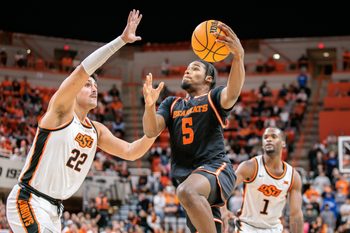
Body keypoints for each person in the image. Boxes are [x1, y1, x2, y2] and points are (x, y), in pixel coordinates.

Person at [6, 9, 159, 233]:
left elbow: (131, 151)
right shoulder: (59, 113)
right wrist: (121, 41)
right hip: (28, 200)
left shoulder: (96, 130)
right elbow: (81, 71)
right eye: (88, 85)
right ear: (75, 90)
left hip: (54, 210)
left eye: (95, 86)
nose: (93, 89)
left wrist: (154, 120)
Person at [142, 22, 245, 233]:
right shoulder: (171, 103)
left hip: (216, 169)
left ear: (208, 78)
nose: (188, 71)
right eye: (187, 69)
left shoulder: (213, 97)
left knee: (186, 192)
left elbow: (232, 92)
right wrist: (150, 106)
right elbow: (151, 131)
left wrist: (238, 57)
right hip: (194, 182)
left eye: (195, 68)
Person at [223, 127, 304, 233]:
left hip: (274, 229)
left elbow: (296, 214)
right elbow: (224, 188)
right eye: (265, 137)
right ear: (262, 144)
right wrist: (223, 209)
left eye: (274, 137)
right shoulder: (250, 166)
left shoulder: (293, 176)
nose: (268, 139)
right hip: (247, 227)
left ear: (283, 143)